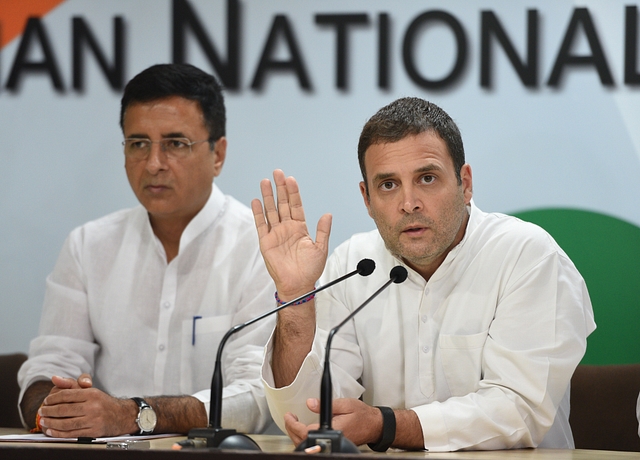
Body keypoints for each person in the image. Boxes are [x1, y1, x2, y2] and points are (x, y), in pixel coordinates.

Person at [251, 97, 596, 451]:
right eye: (388, 185)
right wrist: (295, 297)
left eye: (427, 178)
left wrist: (384, 425)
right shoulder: (353, 264)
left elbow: (518, 411)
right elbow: (308, 418)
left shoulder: (527, 256)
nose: (409, 202)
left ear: (465, 183)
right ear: (366, 199)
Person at [18, 63, 275, 438]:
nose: (154, 164)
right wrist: (55, 410)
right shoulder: (88, 246)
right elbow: (49, 364)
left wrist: (134, 415)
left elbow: (256, 395)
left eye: (175, 144)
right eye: (138, 144)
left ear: (217, 154)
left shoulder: (259, 247)